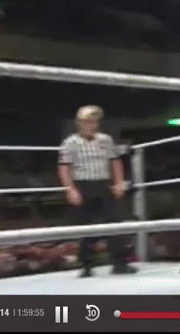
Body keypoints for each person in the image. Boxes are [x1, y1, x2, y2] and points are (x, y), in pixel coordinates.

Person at [58, 105, 137, 277]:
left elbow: (115, 162)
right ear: (79, 123)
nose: (91, 125)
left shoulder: (106, 140)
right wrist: (70, 189)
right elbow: (64, 168)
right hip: (82, 185)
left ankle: (119, 263)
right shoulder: (70, 143)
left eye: (94, 121)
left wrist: (118, 183)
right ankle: (86, 266)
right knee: (85, 225)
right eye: (87, 121)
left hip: (103, 184)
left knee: (114, 222)